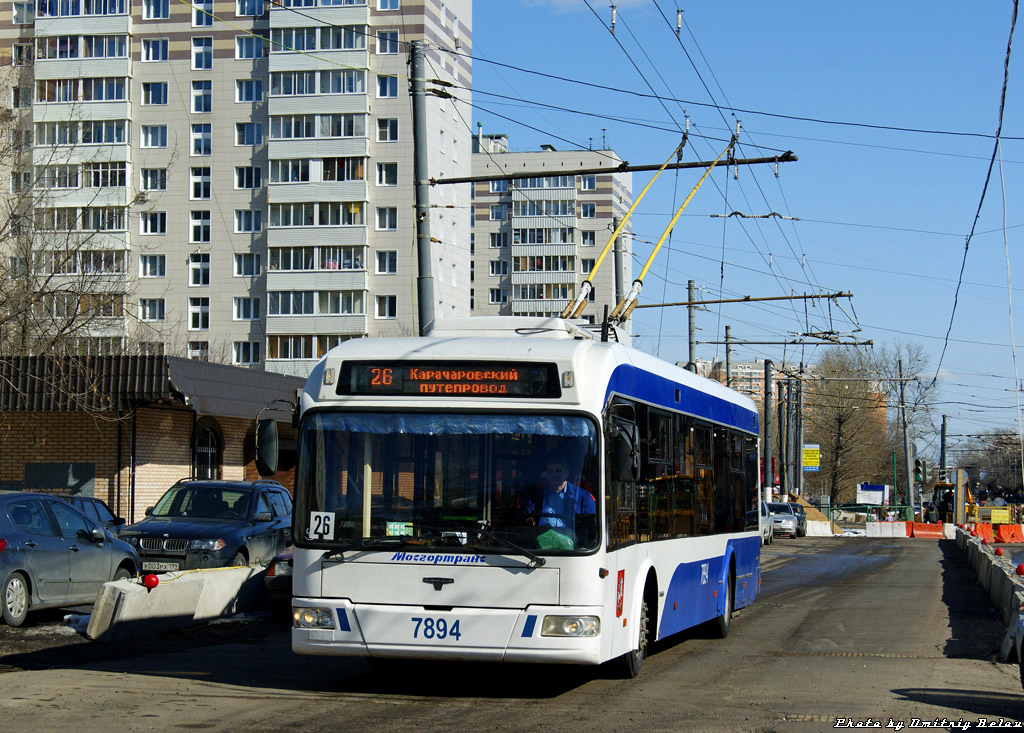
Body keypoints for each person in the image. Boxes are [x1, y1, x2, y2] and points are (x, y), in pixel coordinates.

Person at [525, 457, 596, 534]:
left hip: (572, 542)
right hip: (542, 540)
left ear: (567, 472)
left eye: (558, 471)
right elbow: (527, 516)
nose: (554, 474)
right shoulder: (537, 496)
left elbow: (592, 523)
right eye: (550, 471)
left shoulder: (583, 496)